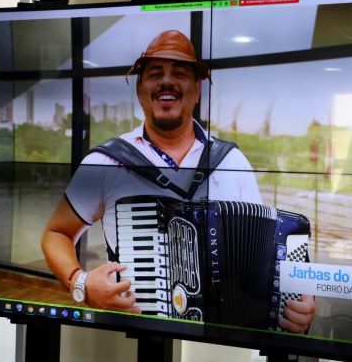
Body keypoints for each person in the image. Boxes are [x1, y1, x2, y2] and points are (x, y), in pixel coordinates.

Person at [41, 30, 315, 333]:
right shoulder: (105, 162)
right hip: (133, 337)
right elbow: (56, 233)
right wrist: (81, 283)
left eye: (180, 73)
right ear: (141, 89)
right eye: (155, 73)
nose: (167, 82)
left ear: (197, 90)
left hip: (216, 346)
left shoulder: (231, 162)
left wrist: (294, 301)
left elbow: (263, 259)